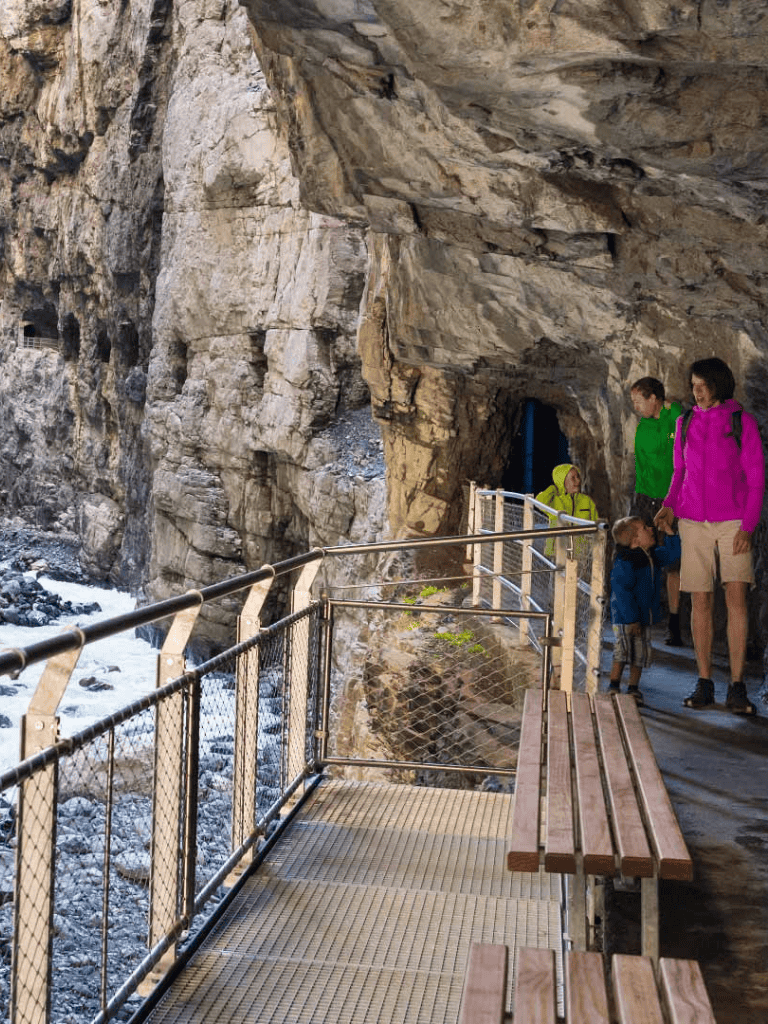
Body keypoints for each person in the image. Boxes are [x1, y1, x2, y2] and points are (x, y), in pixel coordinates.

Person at [654, 357, 765, 715]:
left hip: (734, 521)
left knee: (736, 598)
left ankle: (737, 685)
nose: (696, 392)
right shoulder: (685, 421)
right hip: (692, 520)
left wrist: (747, 527)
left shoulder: (740, 421)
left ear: (719, 384)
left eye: (703, 386)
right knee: (699, 600)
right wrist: (668, 506)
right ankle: (704, 682)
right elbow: (679, 471)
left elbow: (757, 479)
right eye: (693, 386)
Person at [629, 376, 683, 645]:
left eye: (639, 401)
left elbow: (677, 413)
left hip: (671, 500)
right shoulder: (643, 425)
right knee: (640, 556)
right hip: (644, 498)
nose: (636, 407)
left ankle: (674, 623)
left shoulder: (673, 418)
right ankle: (638, 615)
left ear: (654, 398)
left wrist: (670, 406)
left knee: (673, 563)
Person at [608, 516, 681, 704]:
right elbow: (622, 592)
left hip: (644, 617)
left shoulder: (652, 556)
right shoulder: (625, 561)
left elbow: (674, 554)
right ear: (635, 540)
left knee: (639, 654)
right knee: (622, 651)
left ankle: (633, 687)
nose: (650, 529)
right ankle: (613, 685)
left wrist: (670, 533)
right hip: (625, 618)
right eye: (644, 528)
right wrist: (631, 618)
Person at [535, 464, 599, 556]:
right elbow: (539, 502)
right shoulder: (554, 500)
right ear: (563, 481)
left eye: (578, 477)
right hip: (557, 553)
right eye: (573, 478)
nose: (578, 481)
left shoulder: (587, 501)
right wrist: (554, 488)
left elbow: (596, 525)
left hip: (581, 554)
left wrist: (592, 550)